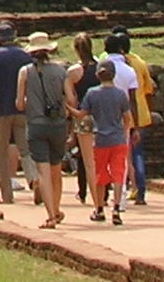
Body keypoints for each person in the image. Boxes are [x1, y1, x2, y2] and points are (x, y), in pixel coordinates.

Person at [17, 30, 72, 227]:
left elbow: (19, 105)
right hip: (58, 124)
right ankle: (56, 210)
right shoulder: (60, 71)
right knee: (56, 170)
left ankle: (50, 215)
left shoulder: (25, 72)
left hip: (36, 124)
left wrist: (30, 101)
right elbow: (71, 98)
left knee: (43, 171)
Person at [82, 58, 136, 225]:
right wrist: (124, 131)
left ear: (98, 75)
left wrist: (67, 108)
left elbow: (82, 113)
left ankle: (99, 208)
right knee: (118, 174)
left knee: (100, 174)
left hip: (100, 139)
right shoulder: (120, 94)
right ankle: (116, 208)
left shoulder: (92, 93)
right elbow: (128, 118)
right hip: (118, 139)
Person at [0, 21, 33, 206]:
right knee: (25, 148)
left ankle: (6, 194)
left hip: (1, 109)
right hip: (22, 108)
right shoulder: (25, 56)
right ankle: (33, 177)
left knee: (2, 151)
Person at [111, 28, 155, 204]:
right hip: (141, 113)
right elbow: (149, 90)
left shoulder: (112, 64)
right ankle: (139, 190)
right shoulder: (140, 63)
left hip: (124, 113)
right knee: (136, 154)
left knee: (126, 154)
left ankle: (129, 188)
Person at [67, 32, 103, 206]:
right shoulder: (102, 68)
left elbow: (72, 100)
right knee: (102, 156)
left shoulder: (73, 72)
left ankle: (86, 193)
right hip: (102, 114)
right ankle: (103, 194)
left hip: (84, 115)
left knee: (86, 159)